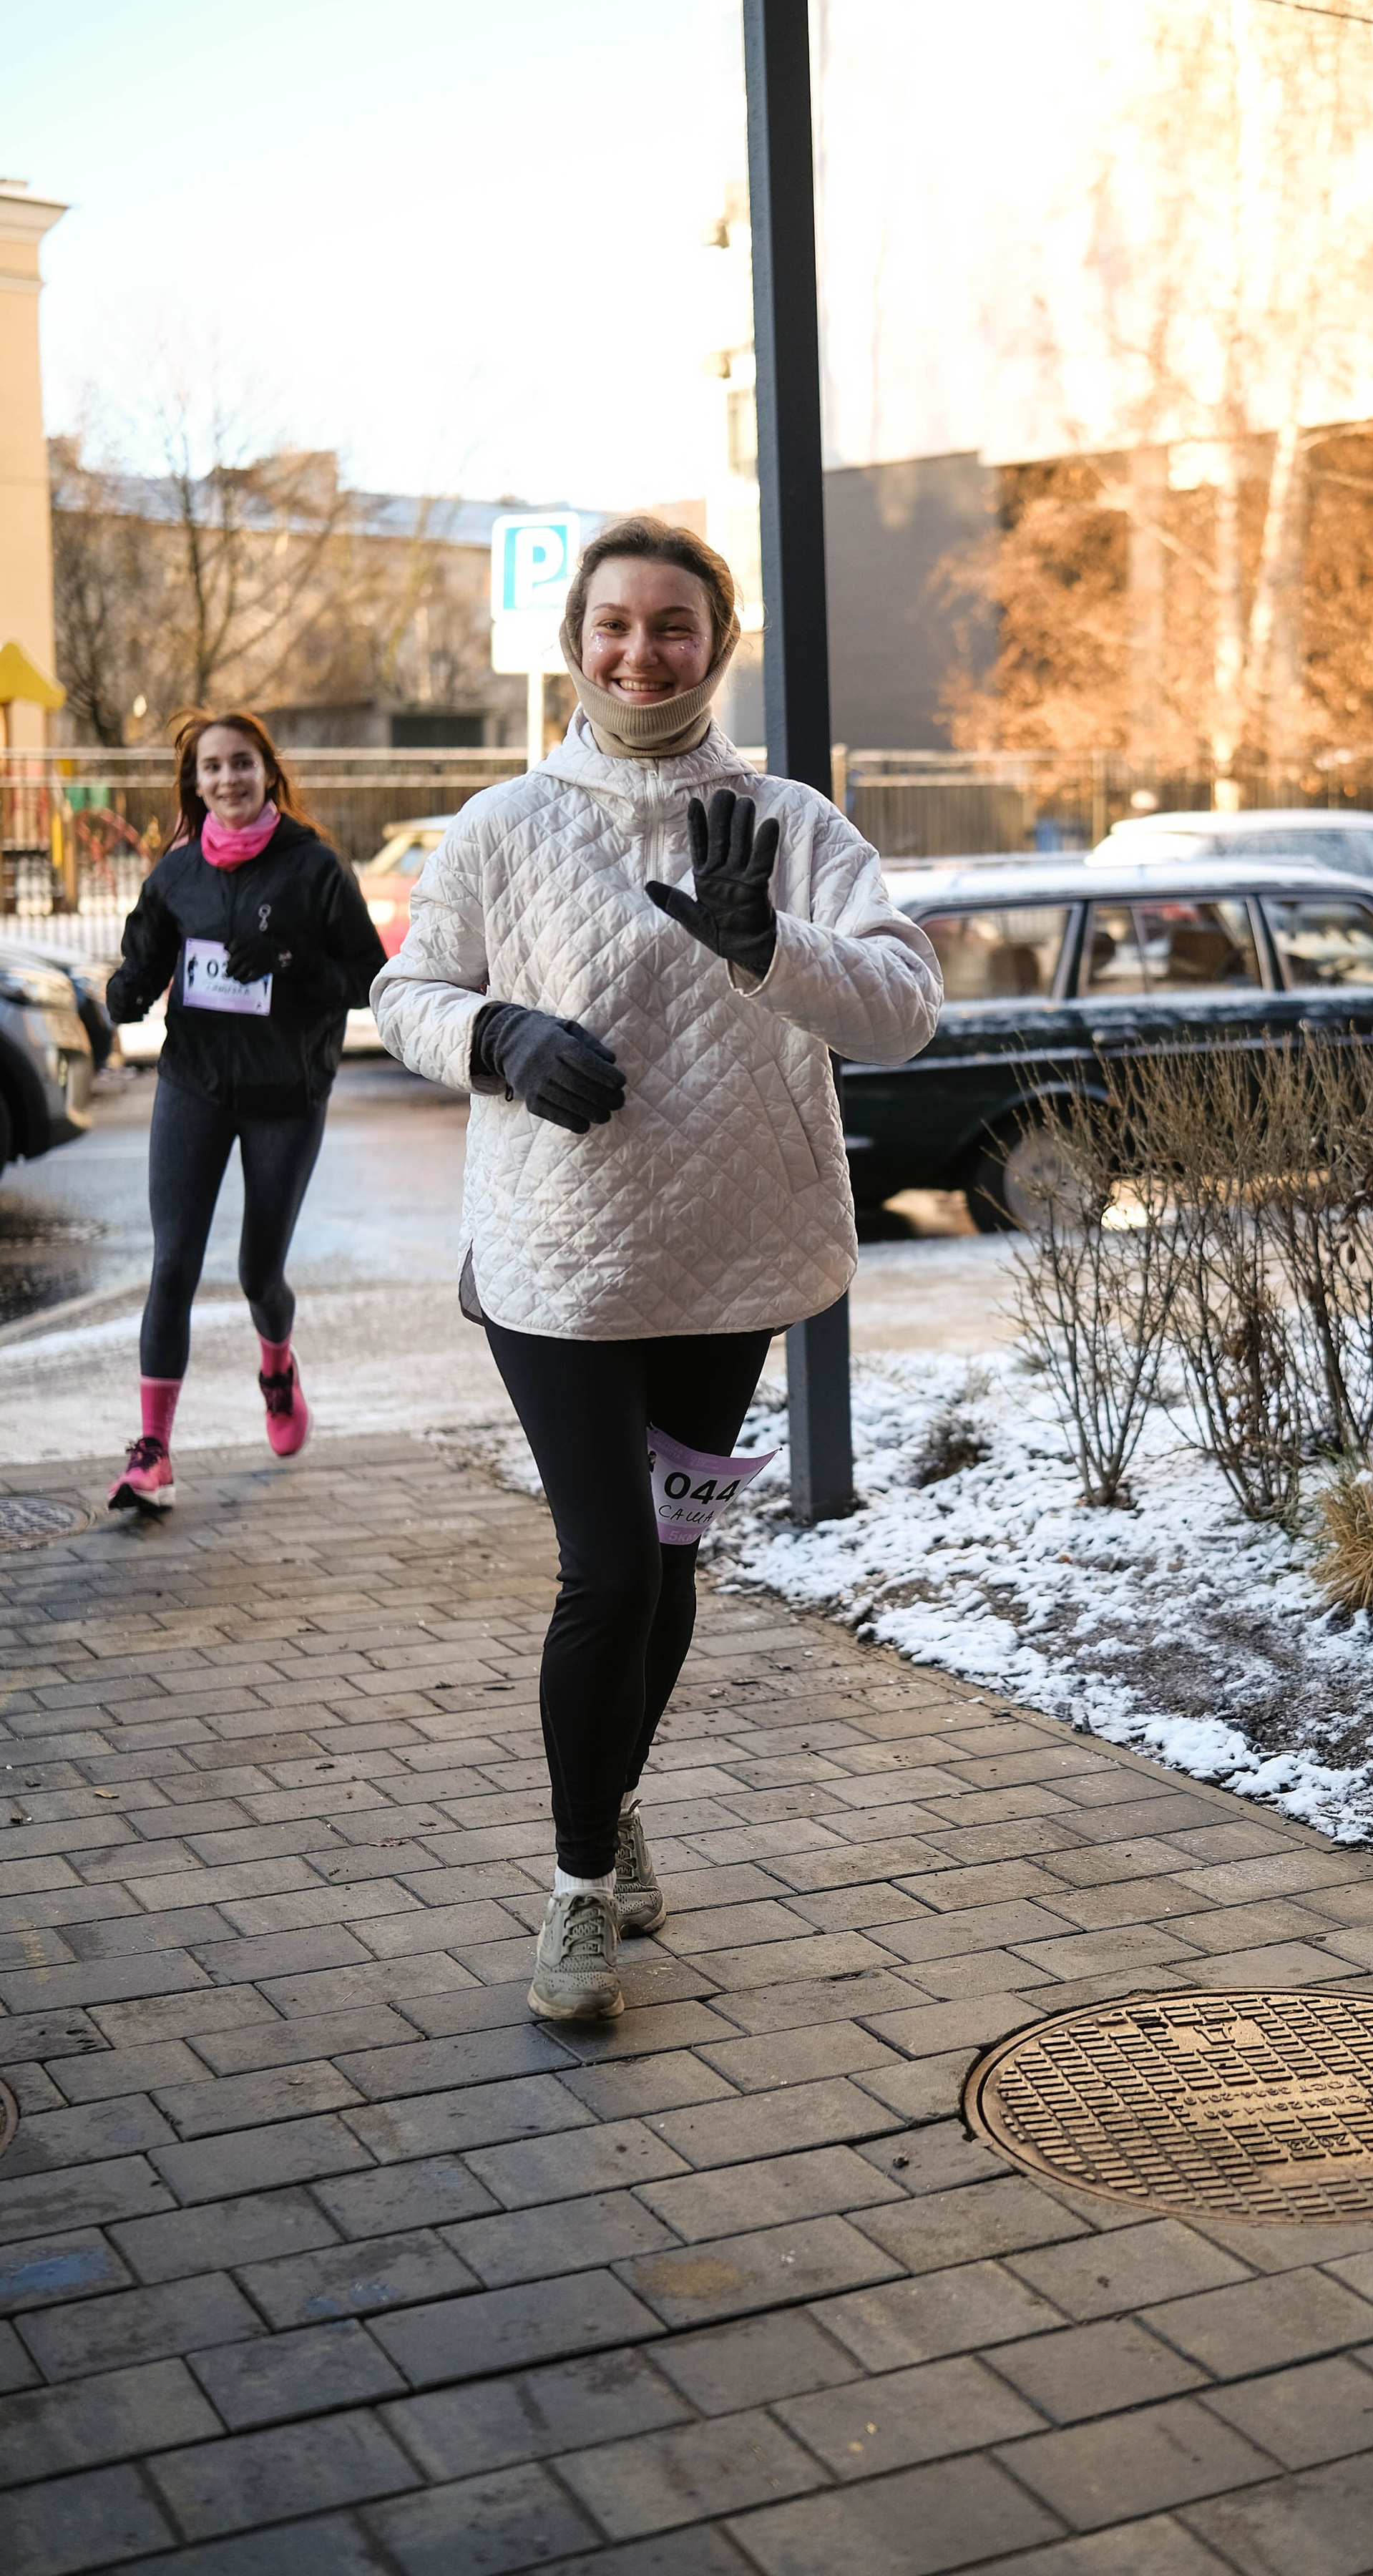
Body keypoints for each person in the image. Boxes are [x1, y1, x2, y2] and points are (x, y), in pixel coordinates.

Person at [373, 515, 940, 2024]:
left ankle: (610, 1792)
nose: (641, 651)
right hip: (557, 1265)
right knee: (607, 1568)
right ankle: (575, 1889)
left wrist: (771, 951)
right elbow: (405, 993)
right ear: (576, 641)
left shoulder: (795, 824)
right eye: (613, 623)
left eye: (672, 625)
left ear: (717, 641)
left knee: (671, 1567)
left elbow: (902, 1011)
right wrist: (496, 1038)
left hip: (729, 1259)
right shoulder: (501, 825)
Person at [104, 711, 387, 1511]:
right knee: (172, 1266)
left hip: (285, 1095)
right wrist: (124, 994)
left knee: (257, 1271)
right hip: (194, 1083)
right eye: (212, 768)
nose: (228, 779)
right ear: (194, 784)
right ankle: (152, 1450)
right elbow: (144, 963)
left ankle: (277, 1365)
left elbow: (369, 974)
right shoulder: (178, 875)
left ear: (268, 771)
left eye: (241, 764)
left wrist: (292, 962)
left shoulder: (313, 868)